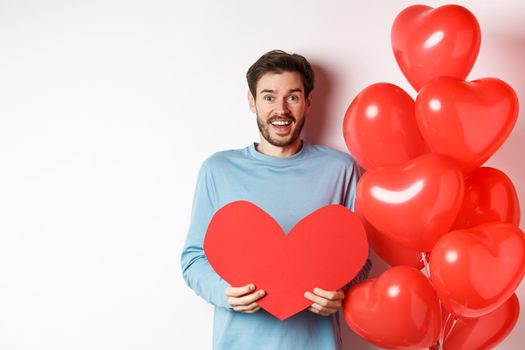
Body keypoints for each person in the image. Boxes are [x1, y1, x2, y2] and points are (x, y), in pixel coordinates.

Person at [181, 50, 371, 350]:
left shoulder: (340, 169)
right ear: (251, 101)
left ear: (308, 102)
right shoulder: (218, 170)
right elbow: (193, 259)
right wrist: (224, 292)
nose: (280, 109)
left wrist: (341, 292)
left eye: (292, 97)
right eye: (269, 97)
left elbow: (360, 258)